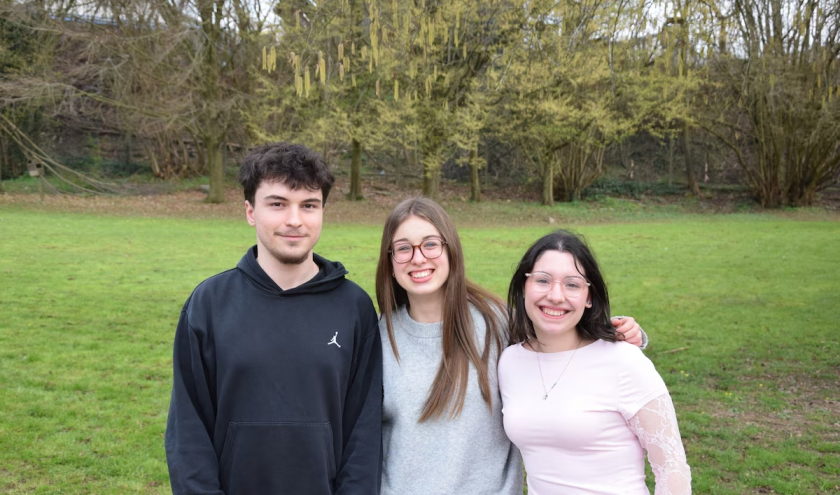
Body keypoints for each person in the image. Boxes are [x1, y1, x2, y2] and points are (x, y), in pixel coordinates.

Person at [374, 198, 647, 495]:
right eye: (403, 248)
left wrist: (626, 332)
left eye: (430, 244)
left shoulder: (498, 322)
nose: (418, 258)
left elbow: (563, 332)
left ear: (451, 250)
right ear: (389, 262)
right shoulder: (375, 337)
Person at [164, 143, 382, 495]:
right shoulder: (209, 304)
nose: (294, 220)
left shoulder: (354, 307)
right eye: (278, 204)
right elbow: (188, 432)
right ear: (251, 211)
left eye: (308, 205)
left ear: (323, 211)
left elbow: (365, 432)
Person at [498, 229, 691, 495]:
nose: (556, 295)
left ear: (589, 296)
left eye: (572, 284)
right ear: (523, 286)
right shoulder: (509, 362)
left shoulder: (623, 360)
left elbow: (671, 465)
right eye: (542, 280)